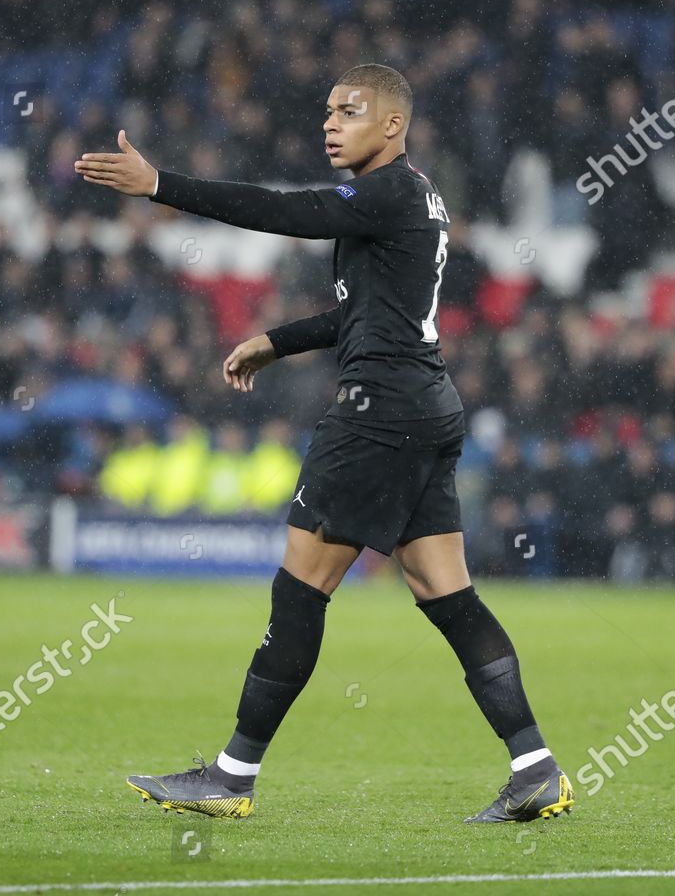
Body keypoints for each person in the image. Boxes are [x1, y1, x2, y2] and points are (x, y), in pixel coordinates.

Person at [75, 64, 573, 823]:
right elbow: (365, 314)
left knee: (300, 587)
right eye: (328, 112)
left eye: (350, 111)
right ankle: (536, 767)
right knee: (446, 592)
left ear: (394, 126)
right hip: (425, 405)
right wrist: (277, 340)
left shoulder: (389, 192)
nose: (331, 124)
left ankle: (233, 776)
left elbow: (289, 212)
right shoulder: (412, 198)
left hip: (377, 413)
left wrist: (160, 185)